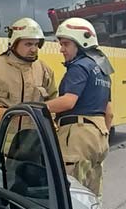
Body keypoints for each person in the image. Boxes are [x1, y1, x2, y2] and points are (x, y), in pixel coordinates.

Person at [45, 17, 113, 198]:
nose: (61, 49)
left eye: (66, 44)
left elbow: (68, 102)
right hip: (99, 136)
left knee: (71, 194)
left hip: (78, 135)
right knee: (92, 196)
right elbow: (110, 112)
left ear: (81, 43)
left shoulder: (78, 67)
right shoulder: (103, 69)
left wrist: (37, 107)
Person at [0, 17, 57, 152]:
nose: (34, 49)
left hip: (31, 147)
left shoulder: (44, 70)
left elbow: (53, 100)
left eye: (36, 44)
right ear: (14, 43)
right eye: (28, 44)